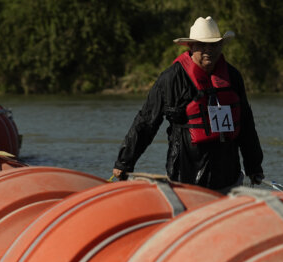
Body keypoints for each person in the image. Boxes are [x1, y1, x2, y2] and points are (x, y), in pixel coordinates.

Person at [111, 16, 264, 192]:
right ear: (191, 46)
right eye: (202, 45)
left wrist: (254, 167)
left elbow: (246, 124)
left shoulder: (232, 76)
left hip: (228, 175)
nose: (209, 50)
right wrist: (124, 162)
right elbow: (146, 122)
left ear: (221, 46)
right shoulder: (171, 79)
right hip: (185, 176)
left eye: (214, 44)